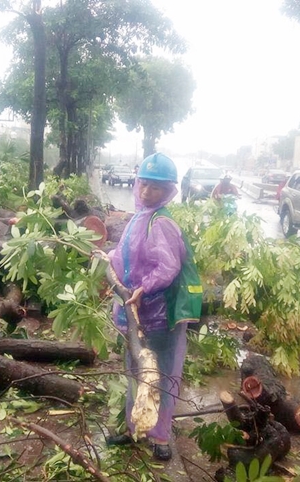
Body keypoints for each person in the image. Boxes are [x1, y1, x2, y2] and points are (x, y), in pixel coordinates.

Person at [107, 152, 194, 462]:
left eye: (155, 188)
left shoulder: (163, 222)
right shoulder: (139, 218)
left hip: (160, 317)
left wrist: (145, 288)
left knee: (162, 376)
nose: (146, 192)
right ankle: (135, 429)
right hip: (136, 312)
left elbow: (168, 267)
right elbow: (125, 257)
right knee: (136, 373)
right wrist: (107, 261)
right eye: (143, 184)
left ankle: (160, 436)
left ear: (168, 190)